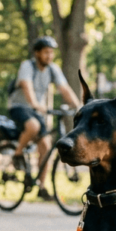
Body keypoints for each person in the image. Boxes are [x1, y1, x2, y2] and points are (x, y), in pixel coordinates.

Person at [7, 36, 81, 201]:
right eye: (46, 52)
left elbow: (64, 88)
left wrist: (79, 106)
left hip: (36, 110)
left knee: (46, 146)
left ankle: (41, 186)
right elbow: (27, 86)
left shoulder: (53, 69)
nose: (49, 56)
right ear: (37, 53)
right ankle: (17, 154)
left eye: (51, 53)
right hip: (19, 107)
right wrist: (35, 104)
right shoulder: (27, 66)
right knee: (33, 126)